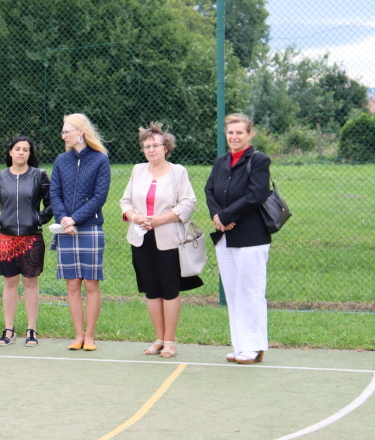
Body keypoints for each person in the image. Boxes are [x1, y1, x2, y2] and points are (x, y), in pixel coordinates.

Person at [120, 122, 203, 358]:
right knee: (151, 290)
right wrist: (135, 217)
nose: (151, 150)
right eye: (147, 146)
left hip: (169, 239)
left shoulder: (178, 172)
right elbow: (125, 202)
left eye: (156, 145)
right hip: (141, 239)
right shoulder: (137, 170)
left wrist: (160, 220)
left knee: (169, 289)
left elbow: (188, 203)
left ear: (166, 147)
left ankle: (170, 341)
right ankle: (158, 339)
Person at [205, 113, 272, 365]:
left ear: (249, 134)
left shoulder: (259, 160)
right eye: (230, 132)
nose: (234, 137)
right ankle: (241, 345)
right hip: (225, 236)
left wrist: (227, 215)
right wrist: (218, 217)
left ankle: (255, 347)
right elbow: (209, 191)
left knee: (251, 292)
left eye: (239, 132)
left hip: (252, 237)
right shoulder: (220, 161)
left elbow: (256, 195)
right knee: (233, 293)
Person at [50, 113, 110, 351]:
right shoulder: (61, 160)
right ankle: (78, 336)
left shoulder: (100, 159)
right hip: (66, 229)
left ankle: (90, 336)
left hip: (90, 228)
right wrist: (64, 220)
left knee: (91, 284)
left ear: (81, 132)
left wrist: (74, 219)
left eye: (66, 131)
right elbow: (55, 193)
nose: (63, 136)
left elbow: (99, 197)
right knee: (72, 284)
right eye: (63, 131)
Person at [0, 136, 52, 347]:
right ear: (10, 152)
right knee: (9, 282)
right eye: (17, 149)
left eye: (25, 149)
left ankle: (31, 330)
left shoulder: (39, 175)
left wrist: (39, 219)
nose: (21, 152)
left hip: (32, 238)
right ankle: (9, 329)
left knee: (31, 282)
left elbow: (51, 204)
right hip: (6, 238)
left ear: (30, 154)